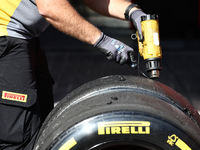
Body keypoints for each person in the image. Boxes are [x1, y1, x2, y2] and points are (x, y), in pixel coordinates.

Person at [0, 0, 146, 149]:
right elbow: (50, 6)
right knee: (19, 137)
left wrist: (133, 11)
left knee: (43, 127)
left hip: (26, 39)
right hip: (6, 40)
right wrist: (102, 40)